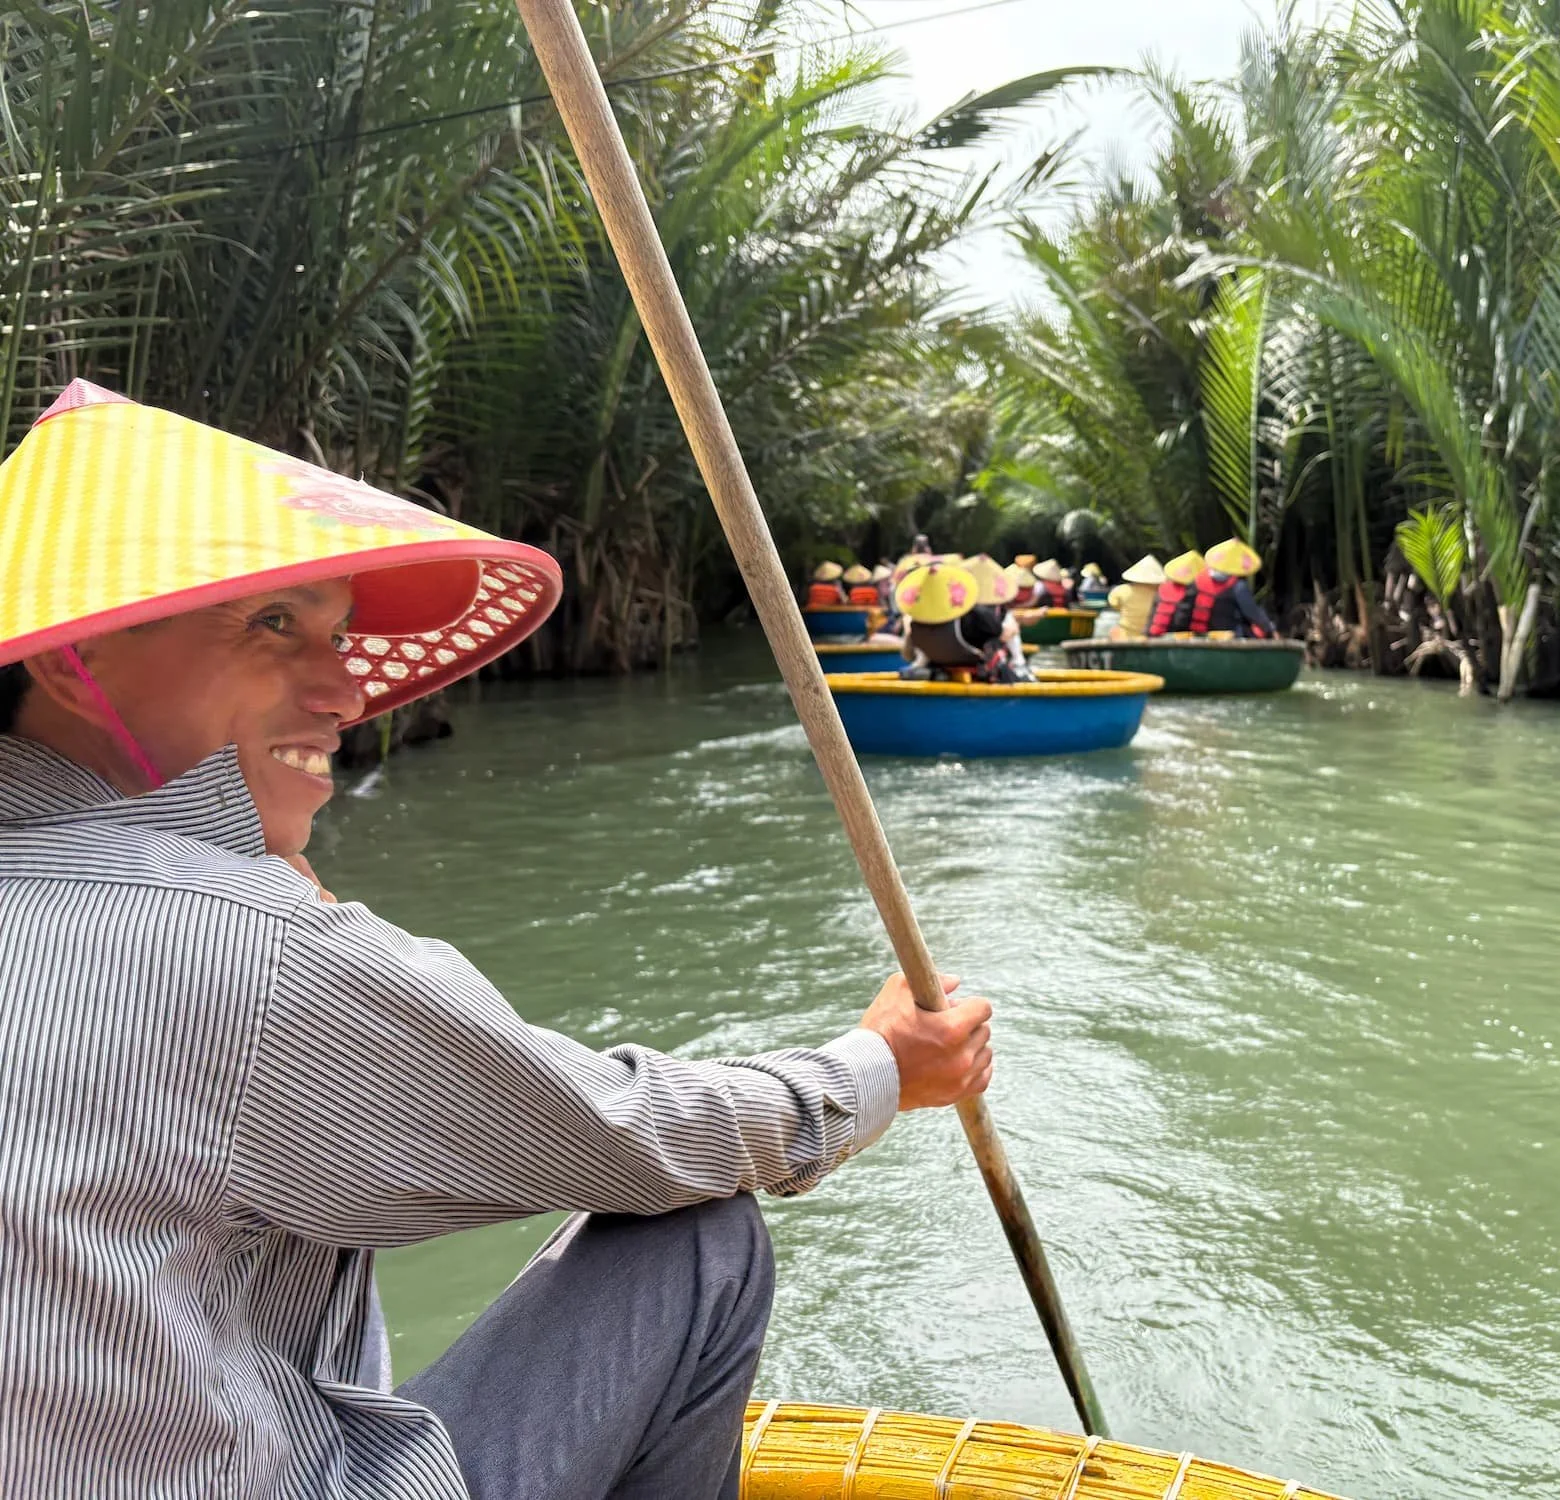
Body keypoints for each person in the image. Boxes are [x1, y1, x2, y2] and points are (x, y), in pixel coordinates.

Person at [0, 382, 994, 1500]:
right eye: (273, 624)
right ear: (71, 659)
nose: (346, 693)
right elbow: (624, 1135)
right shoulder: (243, 939)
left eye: (338, 635)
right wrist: (878, 1067)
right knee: (698, 1238)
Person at [895, 561, 1015, 683]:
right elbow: (1002, 633)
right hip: (978, 670)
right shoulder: (973, 614)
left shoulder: (915, 622)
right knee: (1003, 635)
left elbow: (908, 655)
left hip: (937, 667)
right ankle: (1018, 664)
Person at [1187, 538, 1277, 638]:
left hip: (1199, 634)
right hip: (1230, 636)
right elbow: (1252, 613)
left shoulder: (1196, 581)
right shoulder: (1237, 586)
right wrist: (1270, 629)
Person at [966, 555, 1033, 681]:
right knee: (1009, 623)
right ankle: (1019, 662)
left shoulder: (960, 609)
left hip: (957, 656)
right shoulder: (984, 612)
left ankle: (1019, 662)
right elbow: (1002, 635)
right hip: (981, 663)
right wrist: (1013, 628)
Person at [1148, 549, 1205, 636]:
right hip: (1183, 636)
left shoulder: (1162, 589)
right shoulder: (1196, 593)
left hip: (1156, 635)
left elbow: (1152, 618)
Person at [1108, 555, 1166, 639]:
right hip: (1152, 637)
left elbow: (1114, 605)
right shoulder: (1163, 594)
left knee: (1114, 630)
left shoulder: (1120, 590)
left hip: (1125, 636)